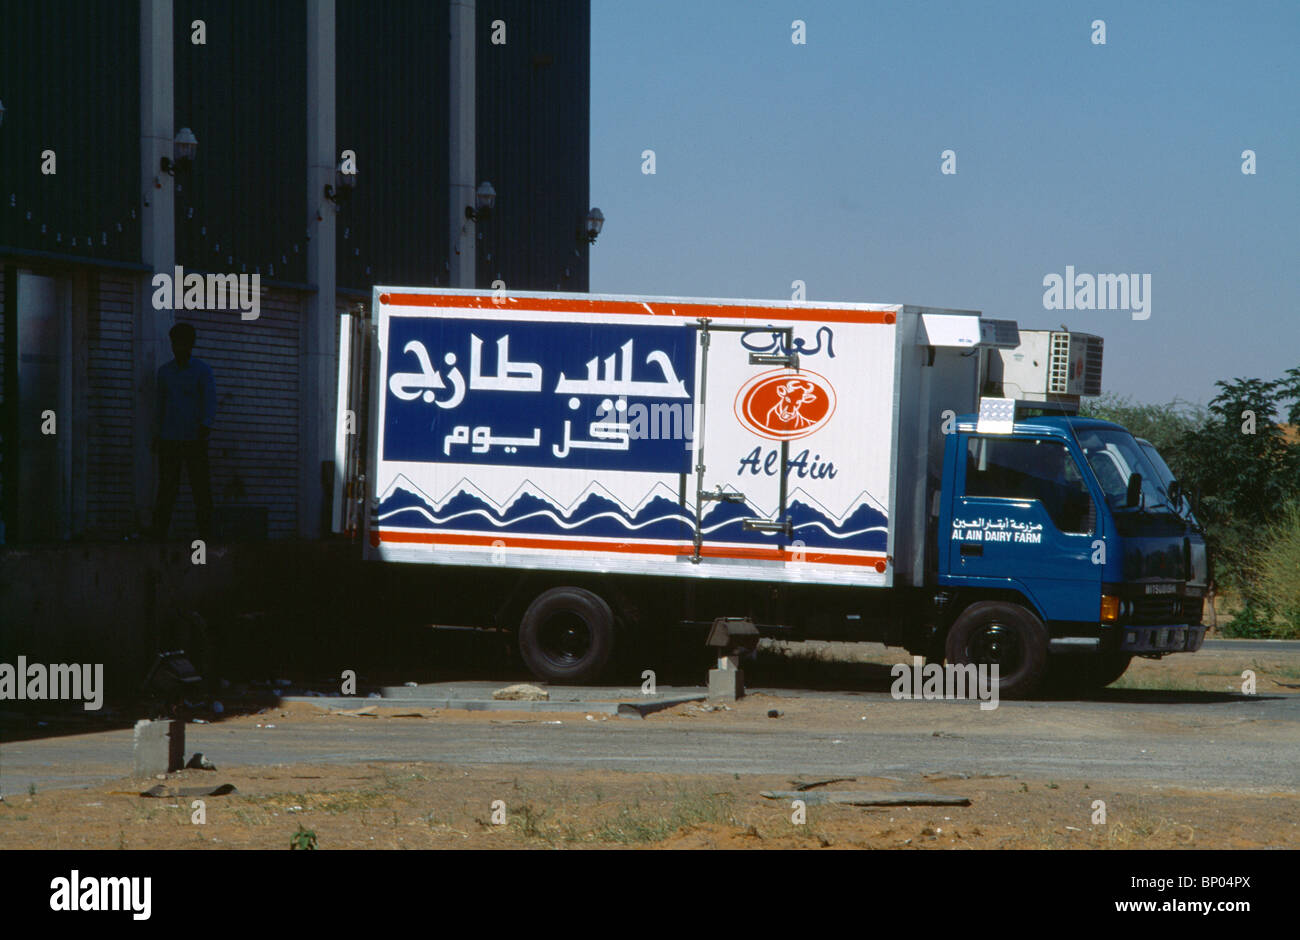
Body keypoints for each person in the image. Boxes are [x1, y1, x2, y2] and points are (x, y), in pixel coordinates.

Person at [151, 322, 216, 540]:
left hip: (194, 438)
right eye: (175, 343)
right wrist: (158, 434)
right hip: (169, 439)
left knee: (201, 489)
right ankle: (159, 534)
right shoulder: (165, 373)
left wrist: (205, 427)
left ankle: (207, 535)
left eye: (182, 343)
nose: (178, 347)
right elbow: (160, 405)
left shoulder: (202, 371)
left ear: (191, 344)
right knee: (167, 488)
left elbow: (209, 402)